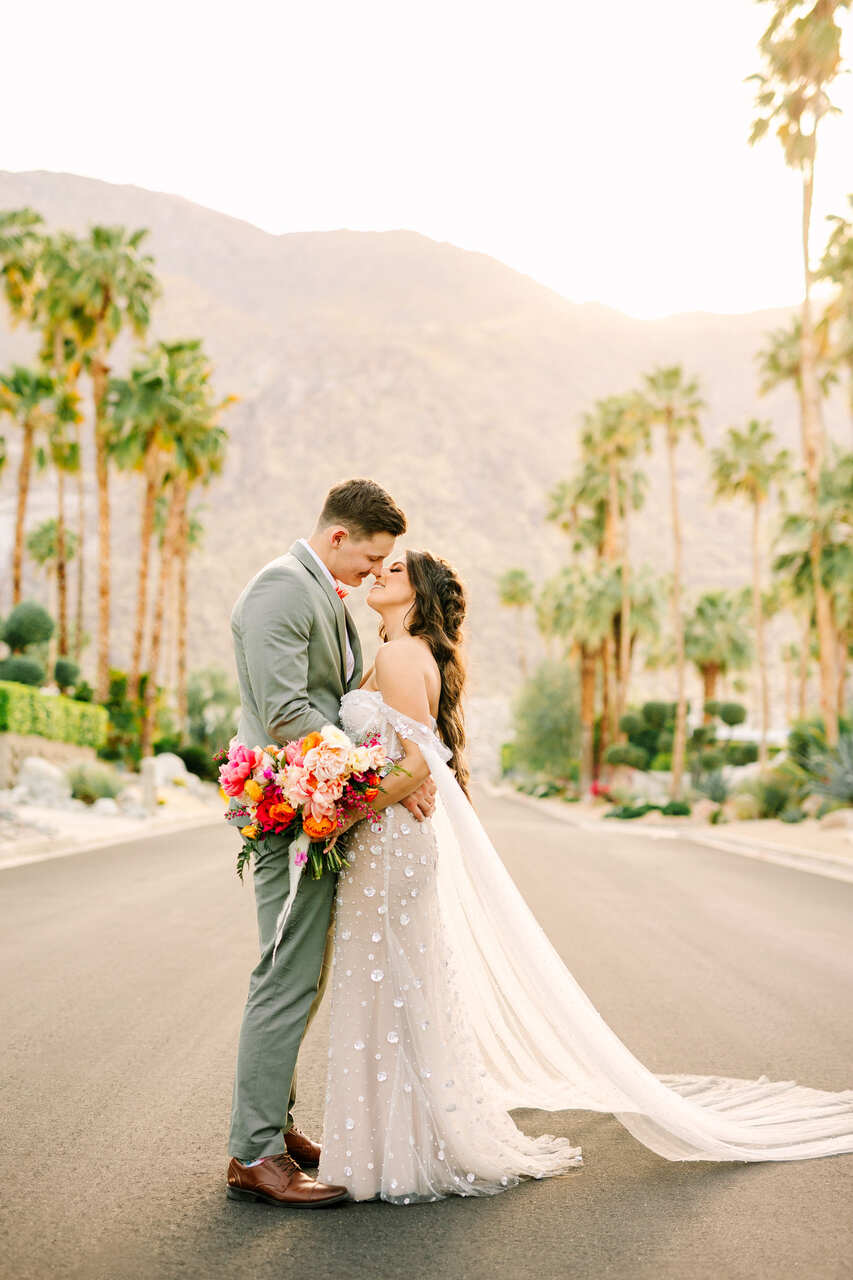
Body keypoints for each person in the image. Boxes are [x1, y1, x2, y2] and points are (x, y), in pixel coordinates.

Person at [317, 549, 853, 1204]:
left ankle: (399, 1149)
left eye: (394, 571)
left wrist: (339, 813)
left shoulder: (403, 657)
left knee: (388, 986)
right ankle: (399, 1144)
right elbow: (405, 759)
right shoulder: (398, 651)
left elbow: (420, 756)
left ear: (419, 594)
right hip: (390, 842)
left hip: (391, 847)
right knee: (395, 988)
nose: (379, 575)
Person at [225, 479, 436, 1209]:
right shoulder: (282, 591)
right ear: (338, 537)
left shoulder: (329, 598)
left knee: (301, 974)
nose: (373, 573)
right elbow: (287, 713)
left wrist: (401, 770)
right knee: (285, 974)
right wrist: (385, 773)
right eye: (368, 558)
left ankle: (272, 1130)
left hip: (316, 805)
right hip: (289, 811)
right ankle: (253, 1152)